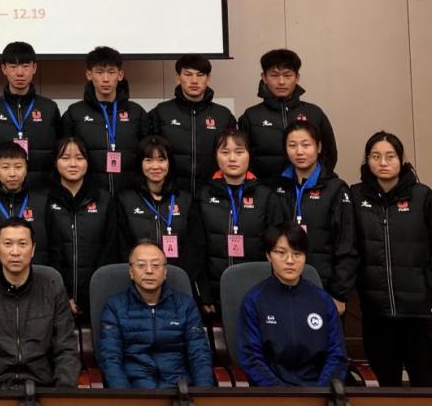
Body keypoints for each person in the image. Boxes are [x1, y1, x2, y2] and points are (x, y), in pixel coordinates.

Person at [350, 130, 432, 386]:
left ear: (401, 159)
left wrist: (429, 287)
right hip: (376, 313)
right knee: (387, 385)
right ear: (367, 160)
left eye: (390, 156)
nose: (383, 162)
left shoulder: (423, 197)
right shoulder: (355, 197)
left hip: (418, 313)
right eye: (375, 156)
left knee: (426, 383)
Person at [0, 217, 80, 388]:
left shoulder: (53, 291)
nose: (15, 252)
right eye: (8, 244)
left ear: (33, 249)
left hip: (42, 388)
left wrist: (63, 391)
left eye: (22, 244)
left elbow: (66, 348)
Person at [238, 222, 348, 386]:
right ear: (268, 256)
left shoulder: (322, 299)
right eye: (281, 253)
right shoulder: (254, 300)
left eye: (297, 253)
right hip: (272, 393)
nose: (290, 260)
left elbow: (336, 354)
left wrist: (321, 392)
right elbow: (251, 358)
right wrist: (282, 394)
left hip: (318, 392)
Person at [97, 242, 215, 388]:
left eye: (156, 265)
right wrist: (126, 397)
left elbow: (199, 354)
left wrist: (203, 394)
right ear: (131, 272)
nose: (149, 271)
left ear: (165, 272)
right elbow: (110, 358)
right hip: (135, 389)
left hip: (178, 388)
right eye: (141, 265)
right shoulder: (115, 306)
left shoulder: (185, 305)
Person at [272, 122, 357, 314]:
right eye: (292, 145)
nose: (299, 152)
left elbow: (347, 244)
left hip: (324, 287)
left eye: (306, 145)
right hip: (283, 285)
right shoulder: (278, 187)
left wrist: (339, 293)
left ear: (318, 147)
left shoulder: (336, 189)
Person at [197, 129, 285, 313]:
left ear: (249, 155)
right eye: (225, 152)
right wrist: (204, 293)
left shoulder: (266, 197)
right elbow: (197, 248)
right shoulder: (203, 195)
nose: (232, 158)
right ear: (215, 156)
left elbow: (277, 248)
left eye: (239, 152)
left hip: (258, 290)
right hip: (215, 291)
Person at [62, 46, 150, 195]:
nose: (106, 79)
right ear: (89, 74)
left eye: (111, 72)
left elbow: (147, 155)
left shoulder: (136, 112)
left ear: (120, 75)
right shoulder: (75, 113)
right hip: (90, 196)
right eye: (99, 72)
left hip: (131, 195)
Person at [116, 136, 205, 284]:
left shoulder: (186, 200)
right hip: (139, 281)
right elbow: (122, 248)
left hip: (179, 281)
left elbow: (195, 247)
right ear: (139, 164)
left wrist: (180, 278)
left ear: (170, 163)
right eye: (148, 160)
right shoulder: (125, 200)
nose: (155, 166)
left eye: (161, 160)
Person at [239, 49, 338, 180]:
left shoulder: (314, 113)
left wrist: (317, 183)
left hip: (309, 188)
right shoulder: (251, 116)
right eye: (274, 75)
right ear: (264, 77)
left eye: (287, 75)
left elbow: (329, 154)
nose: (281, 81)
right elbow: (241, 157)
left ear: (297, 77)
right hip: (264, 189)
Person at [47, 137, 116, 316]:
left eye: (79, 158)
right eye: (65, 158)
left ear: (88, 162)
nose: (73, 164)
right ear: (55, 162)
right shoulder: (44, 200)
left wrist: (90, 294)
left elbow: (111, 249)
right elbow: (46, 253)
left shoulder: (105, 200)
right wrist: (62, 295)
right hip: (55, 298)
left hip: (97, 295)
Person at [150, 54, 236, 194]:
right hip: (172, 194)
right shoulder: (161, 113)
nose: (194, 80)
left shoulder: (223, 115)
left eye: (200, 75)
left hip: (213, 194)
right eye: (188, 74)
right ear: (178, 78)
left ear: (208, 78)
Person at [0, 42, 62, 189]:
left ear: (34, 68)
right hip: (1, 191)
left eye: (25, 66)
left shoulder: (49, 108)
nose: (20, 73)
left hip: (42, 190)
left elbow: (59, 151)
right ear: (4, 69)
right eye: (13, 67)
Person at [0, 142, 49, 265]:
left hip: (34, 273)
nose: (12, 174)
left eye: (18, 167)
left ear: (26, 169)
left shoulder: (43, 204)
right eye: (5, 167)